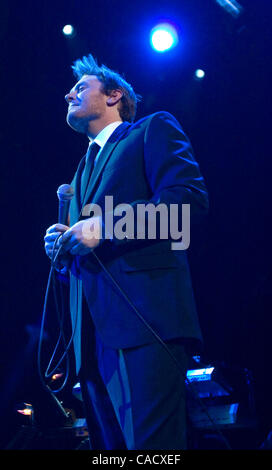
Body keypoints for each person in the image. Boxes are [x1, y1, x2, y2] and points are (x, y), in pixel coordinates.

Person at [44, 54, 209, 450]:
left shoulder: (152, 130)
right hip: (91, 343)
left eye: (81, 87)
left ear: (115, 95)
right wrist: (63, 252)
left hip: (145, 326)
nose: (69, 93)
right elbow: (90, 254)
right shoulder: (78, 175)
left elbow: (187, 205)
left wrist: (104, 227)